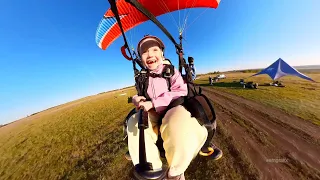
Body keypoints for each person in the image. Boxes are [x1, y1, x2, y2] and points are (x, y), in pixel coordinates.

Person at [126, 35, 222, 180]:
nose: (150, 54)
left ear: (162, 53)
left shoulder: (170, 71)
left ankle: (176, 173)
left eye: (154, 49)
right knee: (134, 122)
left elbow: (180, 90)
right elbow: (140, 96)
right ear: (140, 57)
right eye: (144, 51)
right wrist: (136, 98)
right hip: (152, 113)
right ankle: (151, 170)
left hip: (174, 107)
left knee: (176, 124)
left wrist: (154, 103)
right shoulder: (142, 77)